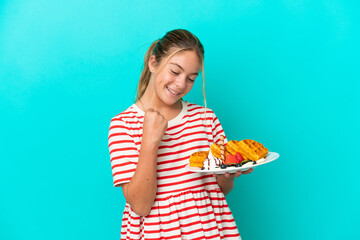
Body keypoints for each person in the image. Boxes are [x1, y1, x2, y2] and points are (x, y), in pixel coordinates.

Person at [108, 29, 253, 239]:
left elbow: (219, 191)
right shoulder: (123, 125)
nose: (180, 84)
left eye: (191, 78)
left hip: (209, 230)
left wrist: (226, 176)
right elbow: (140, 206)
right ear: (153, 63)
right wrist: (149, 142)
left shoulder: (205, 118)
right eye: (175, 72)